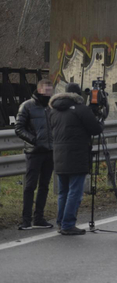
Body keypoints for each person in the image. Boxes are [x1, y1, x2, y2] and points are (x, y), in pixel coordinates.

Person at [49, 83, 104, 236]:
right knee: (75, 192)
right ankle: (68, 224)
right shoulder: (81, 109)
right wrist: (101, 120)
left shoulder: (53, 111)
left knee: (63, 192)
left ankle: (61, 222)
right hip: (77, 156)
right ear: (78, 95)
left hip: (59, 156)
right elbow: (96, 129)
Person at [14, 79, 55, 230]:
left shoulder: (52, 106)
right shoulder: (27, 106)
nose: (49, 92)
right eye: (46, 90)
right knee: (30, 186)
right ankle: (26, 220)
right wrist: (33, 140)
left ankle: (39, 218)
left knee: (44, 186)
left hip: (50, 151)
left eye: (50, 89)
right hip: (34, 152)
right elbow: (18, 128)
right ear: (39, 90)